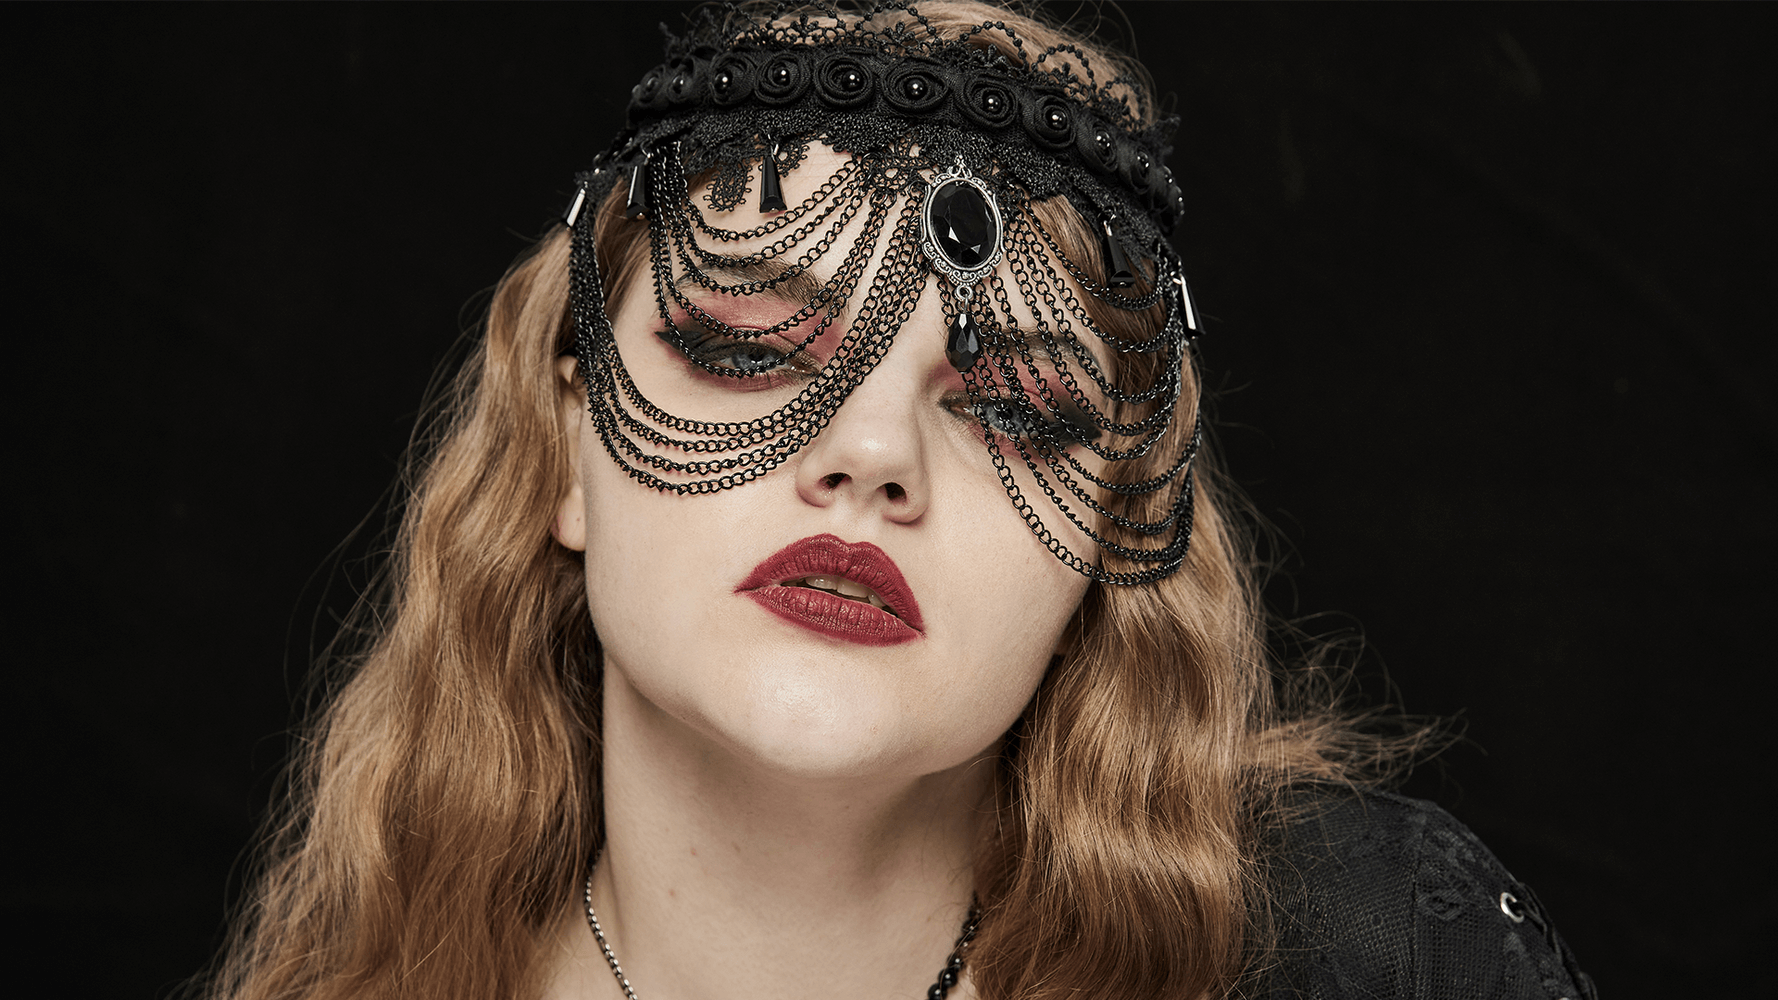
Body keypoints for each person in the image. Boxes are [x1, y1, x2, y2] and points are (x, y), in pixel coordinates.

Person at [197, 3, 1594, 999]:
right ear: (565, 445)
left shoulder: (1370, 958)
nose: (871, 459)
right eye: (750, 344)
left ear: (1112, 528)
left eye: (1014, 406)